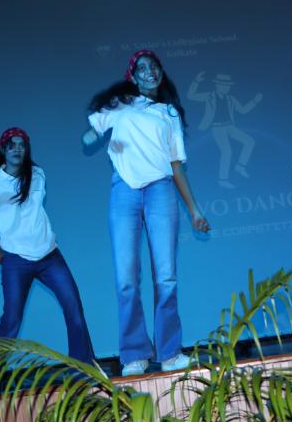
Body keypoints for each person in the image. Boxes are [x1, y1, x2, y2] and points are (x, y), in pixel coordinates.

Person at [82, 50, 210, 376]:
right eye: (143, 68)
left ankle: (169, 353)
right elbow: (92, 131)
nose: (150, 72)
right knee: (126, 279)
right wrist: (94, 135)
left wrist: (194, 210)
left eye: (155, 67)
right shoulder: (121, 104)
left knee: (166, 276)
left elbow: (176, 166)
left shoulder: (169, 113)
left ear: (160, 74)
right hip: (125, 190)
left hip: (161, 190)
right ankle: (134, 355)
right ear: (133, 76)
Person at [0, 127, 95, 363]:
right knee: (11, 319)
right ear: (3, 149)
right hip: (16, 259)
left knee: (74, 308)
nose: (17, 149)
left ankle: (82, 366)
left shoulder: (37, 174)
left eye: (22, 145)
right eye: (12, 145)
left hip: (49, 255)